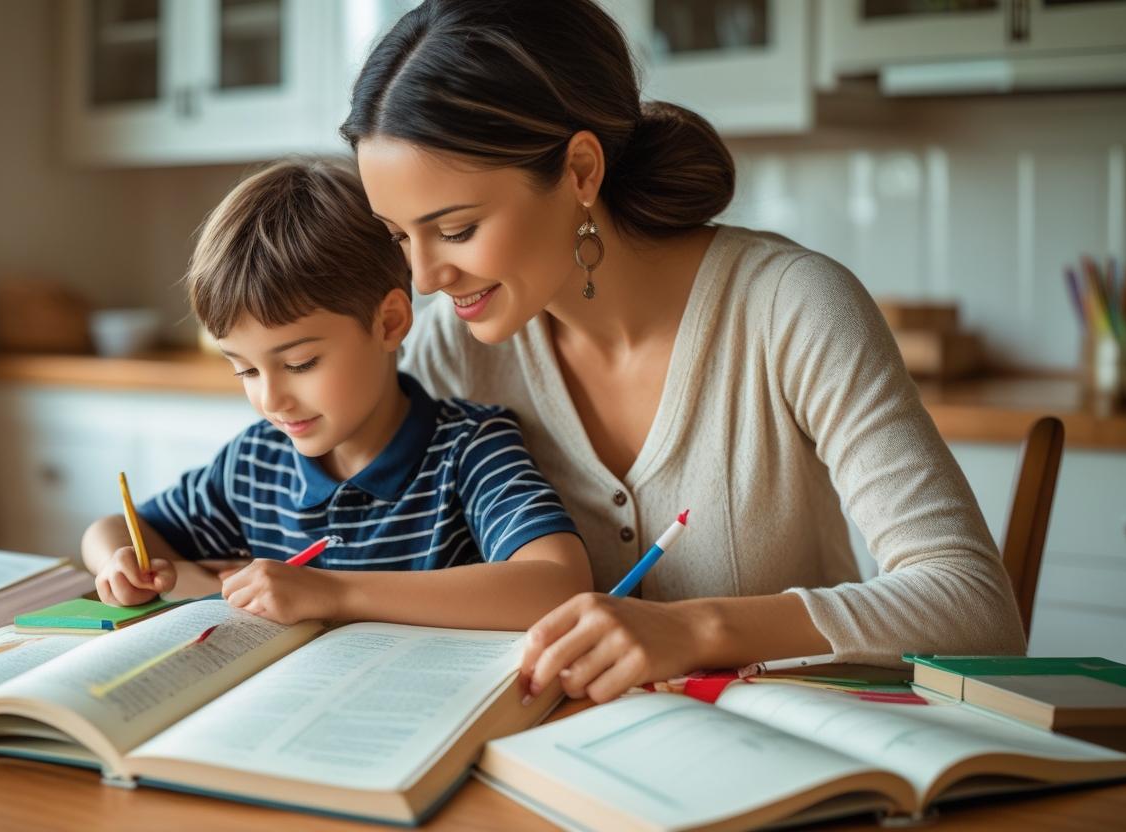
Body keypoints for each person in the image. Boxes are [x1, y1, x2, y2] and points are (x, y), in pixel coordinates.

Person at [340, 0, 1024, 703]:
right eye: (398, 236)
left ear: (579, 171)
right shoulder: (452, 350)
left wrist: (697, 630)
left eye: (455, 229)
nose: (424, 277)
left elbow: (976, 609)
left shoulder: (790, 308)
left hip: (801, 762)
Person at [80, 159, 592, 629]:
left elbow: (559, 584)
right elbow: (112, 530)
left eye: (300, 363)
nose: (272, 400)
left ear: (389, 322)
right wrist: (119, 565)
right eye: (245, 372)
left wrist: (335, 593)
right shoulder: (255, 463)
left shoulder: (469, 447)